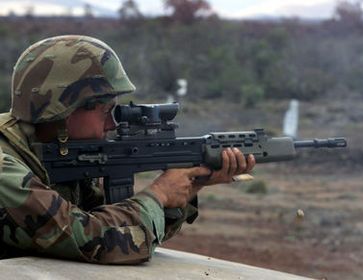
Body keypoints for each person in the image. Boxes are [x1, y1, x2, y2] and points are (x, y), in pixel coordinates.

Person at [0, 35, 255, 264]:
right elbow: (94, 239)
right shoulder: (5, 170)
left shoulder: (54, 151)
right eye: (105, 111)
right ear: (63, 111)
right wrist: (158, 194)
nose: (112, 123)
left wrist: (189, 185)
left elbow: (126, 231)